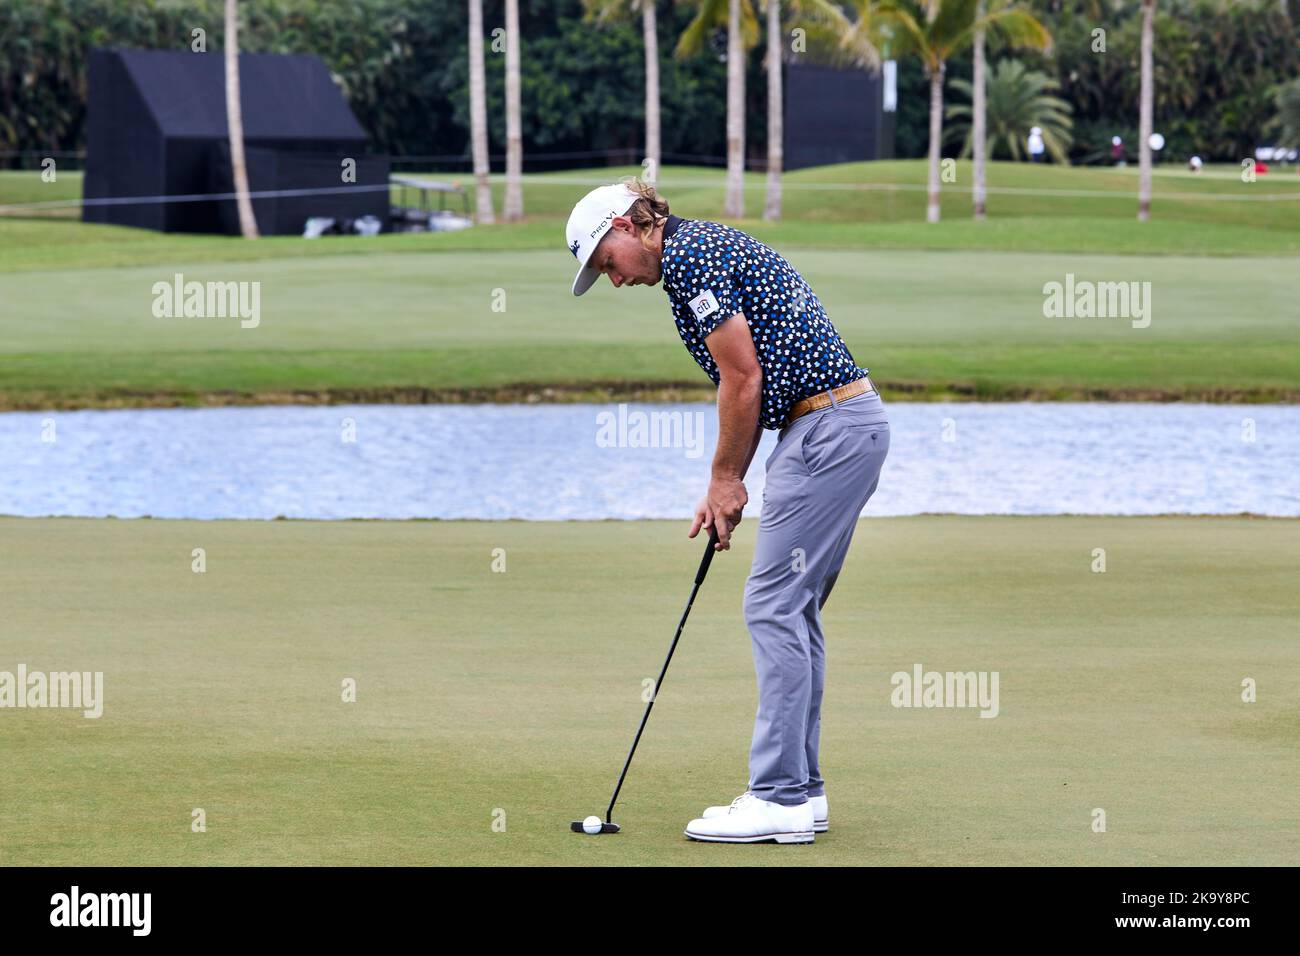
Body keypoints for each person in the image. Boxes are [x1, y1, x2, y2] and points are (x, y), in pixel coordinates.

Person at [565, 179, 890, 844]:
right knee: (792, 608)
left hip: (827, 429)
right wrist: (732, 481)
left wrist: (723, 479)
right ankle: (803, 793)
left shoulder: (691, 260)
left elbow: (744, 379)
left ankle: (778, 797)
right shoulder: (694, 254)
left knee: (772, 605)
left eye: (607, 263)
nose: (615, 281)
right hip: (835, 427)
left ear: (628, 226)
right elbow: (751, 379)